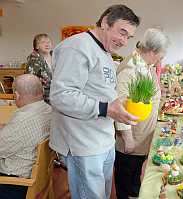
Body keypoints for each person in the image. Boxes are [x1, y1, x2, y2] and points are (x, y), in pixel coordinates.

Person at [49, 5, 140, 199]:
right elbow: (61, 95)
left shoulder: (106, 53)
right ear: (106, 22)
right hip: (83, 144)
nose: (124, 41)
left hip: (103, 140)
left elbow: (102, 92)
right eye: (122, 32)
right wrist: (106, 108)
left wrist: (120, 106)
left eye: (128, 37)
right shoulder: (77, 46)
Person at [114, 28, 170, 199]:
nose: (162, 58)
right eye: (161, 54)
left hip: (142, 137)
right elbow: (120, 105)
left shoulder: (146, 65)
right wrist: (128, 139)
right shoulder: (130, 69)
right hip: (131, 141)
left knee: (136, 184)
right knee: (126, 182)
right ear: (152, 52)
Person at [0, 74, 51, 199]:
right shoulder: (48, 110)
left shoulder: (22, 119)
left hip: (14, 183)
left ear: (16, 95)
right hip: (40, 177)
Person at [26, 33, 53, 104]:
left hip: (58, 94)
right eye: (43, 42)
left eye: (49, 42)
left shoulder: (56, 56)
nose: (47, 44)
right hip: (43, 98)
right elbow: (30, 81)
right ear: (37, 46)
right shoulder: (33, 60)